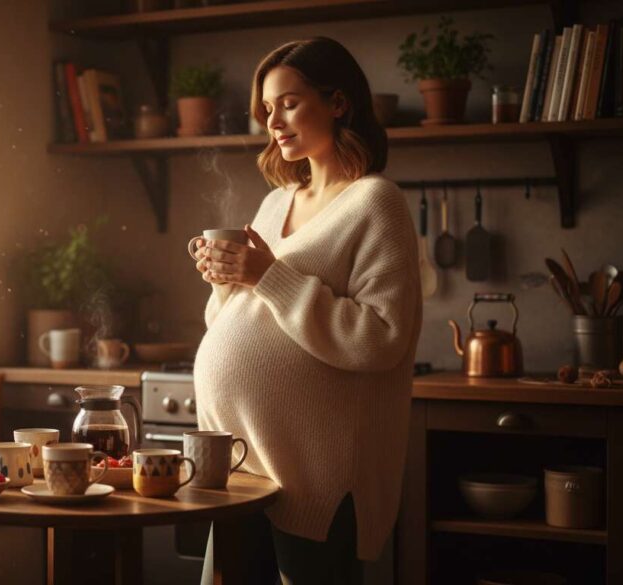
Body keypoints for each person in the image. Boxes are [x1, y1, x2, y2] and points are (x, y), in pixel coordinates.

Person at [190, 37, 422, 585]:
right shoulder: (275, 203)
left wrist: (265, 275)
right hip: (242, 465)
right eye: (267, 109)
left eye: (289, 103)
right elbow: (232, 324)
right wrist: (226, 280)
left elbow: (382, 337)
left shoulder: (374, 201)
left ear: (338, 102)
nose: (274, 120)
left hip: (316, 474)